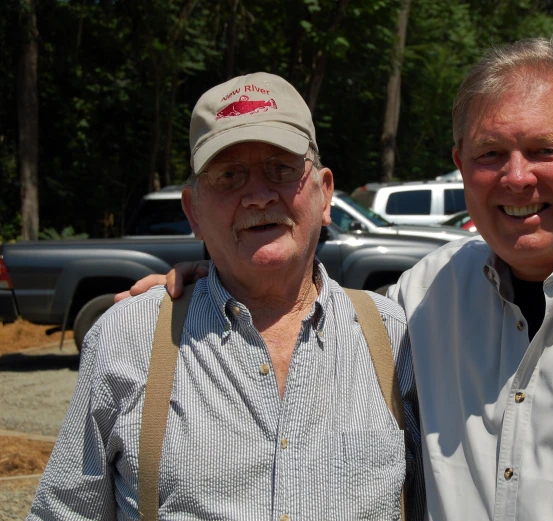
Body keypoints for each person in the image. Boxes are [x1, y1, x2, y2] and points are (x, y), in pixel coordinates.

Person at [123, 39, 553, 520]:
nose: (517, 177)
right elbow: (303, 316)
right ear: (460, 166)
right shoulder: (417, 302)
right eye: (491, 154)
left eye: (546, 150)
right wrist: (209, 290)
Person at [29, 72, 425, 521]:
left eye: (280, 168)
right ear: (193, 212)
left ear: (325, 192)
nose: (258, 196)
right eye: (229, 175)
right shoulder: (129, 337)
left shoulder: (393, 337)